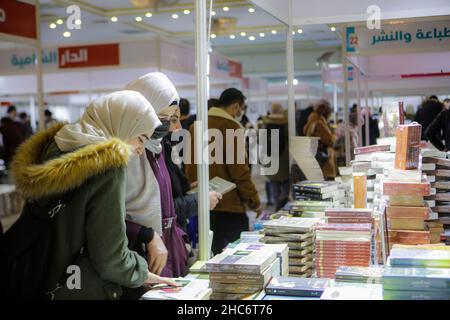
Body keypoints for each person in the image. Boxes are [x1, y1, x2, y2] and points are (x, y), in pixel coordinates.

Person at [3, 91, 176, 299]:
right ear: (123, 124)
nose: (140, 150)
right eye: (141, 138)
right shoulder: (107, 166)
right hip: (82, 288)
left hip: (37, 278)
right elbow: (110, 256)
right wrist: (140, 271)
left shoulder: (55, 147)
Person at [125, 72, 190, 278]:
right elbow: (106, 216)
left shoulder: (156, 147)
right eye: (167, 118)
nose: (174, 127)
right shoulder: (127, 151)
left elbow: (166, 203)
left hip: (164, 250)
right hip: (136, 254)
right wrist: (147, 235)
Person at [185, 88, 262, 255]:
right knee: (240, 256)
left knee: (211, 253)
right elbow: (239, 171)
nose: (241, 112)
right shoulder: (232, 127)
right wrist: (254, 200)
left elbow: (189, 166)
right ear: (235, 106)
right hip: (229, 204)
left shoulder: (195, 126)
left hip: (203, 202)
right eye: (241, 108)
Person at [261, 104, 289, 211]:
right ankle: (283, 199)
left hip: (269, 156)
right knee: (286, 180)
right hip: (283, 157)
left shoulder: (266, 123)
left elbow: (261, 139)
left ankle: (277, 203)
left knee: (273, 181)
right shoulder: (286, 123)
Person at [304, 99, 337, 179]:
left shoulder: (311, 120)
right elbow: (330, 141)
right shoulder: (319, 124)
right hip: (322, 160)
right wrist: (334, 135)